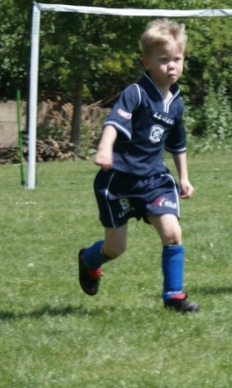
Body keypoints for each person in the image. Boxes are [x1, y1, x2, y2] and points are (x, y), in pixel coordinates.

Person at [77, 19, 199, 312]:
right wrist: (104, 149)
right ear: (147, 63)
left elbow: (177, 143)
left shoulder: (177, 102)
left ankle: (173, 296)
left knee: (172, 233)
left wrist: (184, 177)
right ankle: (88, 260)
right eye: (163, 60)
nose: (171, 66)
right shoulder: (136, 92)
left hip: (154, 179)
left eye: (177, 59)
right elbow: (113, 123)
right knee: (115, 248)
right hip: (117, 180)